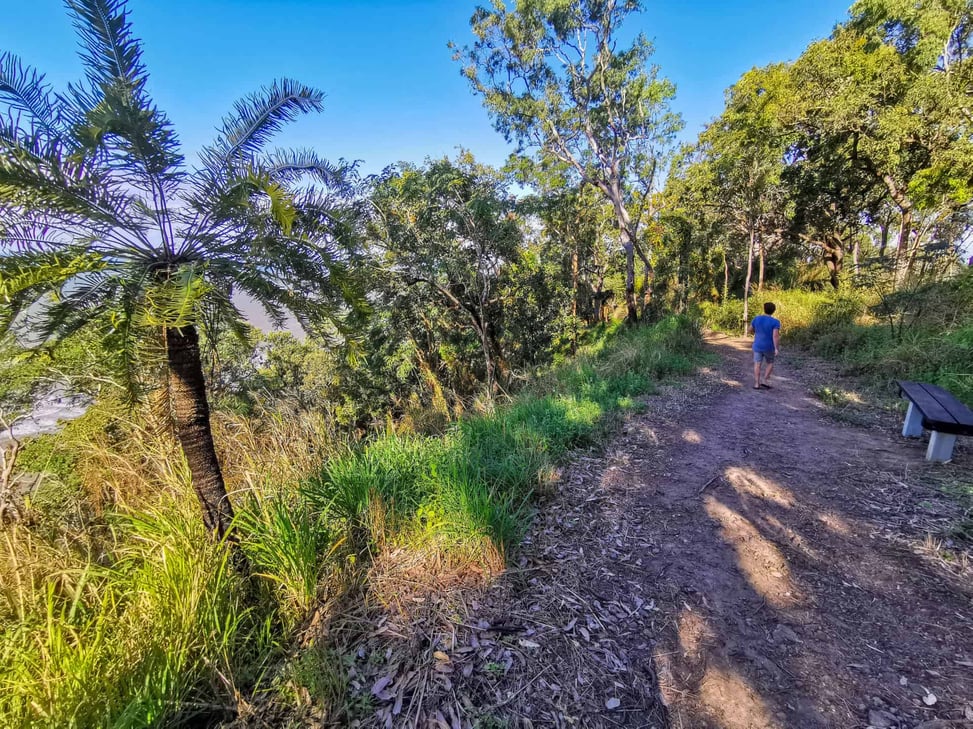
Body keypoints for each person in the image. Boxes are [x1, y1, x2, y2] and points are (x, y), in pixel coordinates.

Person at [748, 302, 781, 390]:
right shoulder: (775, 322)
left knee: (757, 364)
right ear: (773, 311)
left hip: (758, 345)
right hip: (769, 347)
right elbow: (775, 336)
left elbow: (750, 330)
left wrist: (756, 331)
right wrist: (776, 348)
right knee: (770, 363)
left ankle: (756, 383)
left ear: (764, 309)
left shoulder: (757, 319)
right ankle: (765, 379)